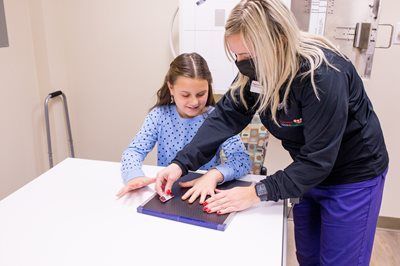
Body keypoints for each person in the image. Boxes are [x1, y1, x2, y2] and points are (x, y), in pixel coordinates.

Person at [154, 1, 389, 265]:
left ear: (277, 43)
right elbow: (224, 118)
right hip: (308, 173)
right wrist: (180, 163)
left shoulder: (323, 74)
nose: (242, 65)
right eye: (237, 56)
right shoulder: (257, 75)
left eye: (248, 57)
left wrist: (255, 193)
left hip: (353, 176)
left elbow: (319, 159)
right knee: (308, 257)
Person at [116, 52, 251, 204]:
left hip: (204, 192)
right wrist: (134, 176)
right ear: (171, 88)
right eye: (185, 95)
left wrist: (214, 175)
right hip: (169, 194)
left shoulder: (220, 119)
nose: (194, 102)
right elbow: (134, 151)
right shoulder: (159, 116)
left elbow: (242, 160)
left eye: (201, 94)